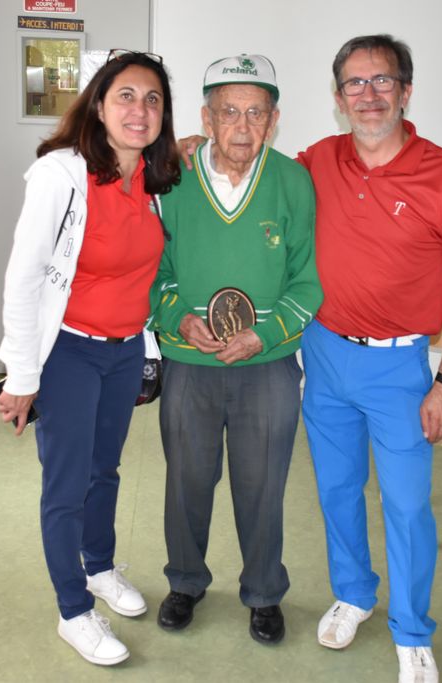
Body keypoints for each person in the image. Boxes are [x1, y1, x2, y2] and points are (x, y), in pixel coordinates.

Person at [296, 35, 442, 683]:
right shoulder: (318, 160)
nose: (369, 94)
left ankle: (412, 631)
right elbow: (256, 177)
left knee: (406, 505)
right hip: (325, 355)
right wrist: (196, 145)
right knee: (337, 489)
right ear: (338, 97)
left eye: (382, 81)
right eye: (355, 83)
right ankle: (354, 593)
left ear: (406, 91)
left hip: (400, 368)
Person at [0, 49, 180, 667]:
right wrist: (22, 377)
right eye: (126, 96)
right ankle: (73, 611)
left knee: (106, 471)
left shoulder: (153, 180)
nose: (139, 110)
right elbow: (23, 279)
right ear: (98, 105)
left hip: (124, 353)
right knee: (66, 485)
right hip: (69, 354)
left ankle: (98, 568)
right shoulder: (62, 175)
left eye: (153, 99)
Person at [150, 54, 321, 645]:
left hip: (267, 366)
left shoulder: (293, 181)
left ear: (274, 121)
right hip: (188, 363)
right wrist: (178, 317)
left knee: (263, 486)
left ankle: (265, 592)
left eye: (256, 113)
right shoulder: (171, 180)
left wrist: (263, 335)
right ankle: (185, 581)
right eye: (229, 112)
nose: (243, 126)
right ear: (206, 118)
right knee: (186, 482)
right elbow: (152, 272)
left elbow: (309, 282)